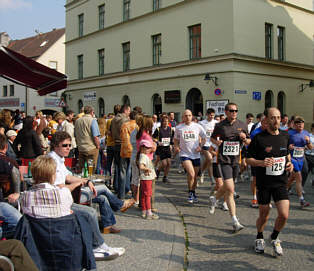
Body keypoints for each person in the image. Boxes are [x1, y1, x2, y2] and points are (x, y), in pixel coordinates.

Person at [47, 132, 128, 259]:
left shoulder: (59, 158)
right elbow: (59, 186)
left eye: (70, 145)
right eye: (65, 145)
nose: (69, 147)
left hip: (70, 193)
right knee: (102, 189)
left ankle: (107, 225)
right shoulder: (52, 161)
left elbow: (67, 176)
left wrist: (86, 181)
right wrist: (80, 182)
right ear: (56, 146)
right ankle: (120, 205)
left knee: (102, 198)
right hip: (65, 197)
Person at [247, 107, 293, 256]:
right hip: (264, 183)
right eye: (273, 118)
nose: (276, 121)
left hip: (280, 182)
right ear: (265, 119)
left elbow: (286, 154)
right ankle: (259, 237)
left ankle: (274, 237)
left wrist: (289, 164)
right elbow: (248, 159)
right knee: (264, 214)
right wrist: (261, 163)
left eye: (278, 117)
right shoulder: (259, 138)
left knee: (284, 214)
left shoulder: (285, 136)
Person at [209, 102, 250, 232]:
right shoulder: (220, 125)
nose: (234, 113)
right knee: (231, 189)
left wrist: (244, 139)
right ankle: (235, 221)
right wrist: (217, 142)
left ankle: (214, 198)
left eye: (236, 111)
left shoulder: (242, 125)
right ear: (226, 112)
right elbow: (212, 139)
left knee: (228, 187)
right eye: (231, 111)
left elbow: (249, 141)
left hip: (235, 160)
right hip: (224, 159)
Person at [173, 109, 206, 203]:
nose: (188, 117)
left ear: (192, 116)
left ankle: (192, 191)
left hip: (195, 154)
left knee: (194, 176)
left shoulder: (198, 126)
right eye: (186, 116)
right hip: (184, 154)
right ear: (183, 117)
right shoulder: (179, 128)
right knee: (191, 174)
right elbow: (175, 139)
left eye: (189, 115)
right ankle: (191, 193)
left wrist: (200, 146)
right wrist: (176, 147)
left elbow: (204, 138)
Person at [286, 116, 312, 208]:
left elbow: (311, 148)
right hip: (292, 158)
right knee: (299, 178)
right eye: (298, 123)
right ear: (294, 125)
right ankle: (301, 200)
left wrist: (308, 142)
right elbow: (283, 145)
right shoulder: (289, 133)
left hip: (301, 158)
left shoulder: (306, 133)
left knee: (292, 178)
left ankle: (285, 190)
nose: (300, 125)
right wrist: (288, 147)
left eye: (301, 123)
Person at [110, 104, 131, 199]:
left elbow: (110, 131)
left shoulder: (113, 119)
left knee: (118, 169)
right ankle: (122, 193)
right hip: (124, 145)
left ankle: (118, 189)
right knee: (124, 170)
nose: (129, 113)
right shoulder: (125, 120)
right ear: (125, 110)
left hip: (115, 145)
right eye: (129, 111)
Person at [137, 139, 158, 219]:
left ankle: (144, 211)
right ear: (142, 148)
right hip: (147, 178)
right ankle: (149, 213)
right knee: (148, 195)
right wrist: (146, 169)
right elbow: (141, 166)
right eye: (147, 148)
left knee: (143, 195)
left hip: (145, 178)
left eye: (149, 148)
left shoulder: (143, 156)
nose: (149, 149)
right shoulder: (143, 156)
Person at [74, 106, 100, 172]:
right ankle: (89, 181)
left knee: (81, 169)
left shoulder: (77, 121)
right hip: (91, 148)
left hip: (81, 148)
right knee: (91, 169)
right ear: (92, 112)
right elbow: (95, 136)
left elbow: (75, 134)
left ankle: (82, 181)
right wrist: (98, 146)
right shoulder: (92, 120)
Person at [120, 110, 138, 199]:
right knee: (133, 173)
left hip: (124, 150)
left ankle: (122, 193)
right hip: (134, 151)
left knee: (123, 172)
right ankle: (133, 193)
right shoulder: (138, 126)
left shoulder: (124, 125)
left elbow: (122, 137)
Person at [153, 116, 174, 183]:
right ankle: (158, 171)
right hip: (161, 148)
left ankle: (165, 177)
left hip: (167, 148)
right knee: (164, 163)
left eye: (167, 121)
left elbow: (172, 138)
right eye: (164, 121)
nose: (166, 123)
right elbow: (153, 137)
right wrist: (158, 142)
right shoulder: (158, 129)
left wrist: (171, 144)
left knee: (169, 163)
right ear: (162, 122)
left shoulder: (170, 129)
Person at [199, 108, 218, 184]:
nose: (211, 116)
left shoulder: (216, 123)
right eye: (210, 115)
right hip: (205, 143)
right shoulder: (202, 123)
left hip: (213, 144)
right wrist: (200, 143)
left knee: (208, 161)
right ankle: (212, 179)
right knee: (210, 159)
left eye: (213, 115)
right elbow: (199, 134)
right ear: (206, 114)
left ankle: (201, 172)